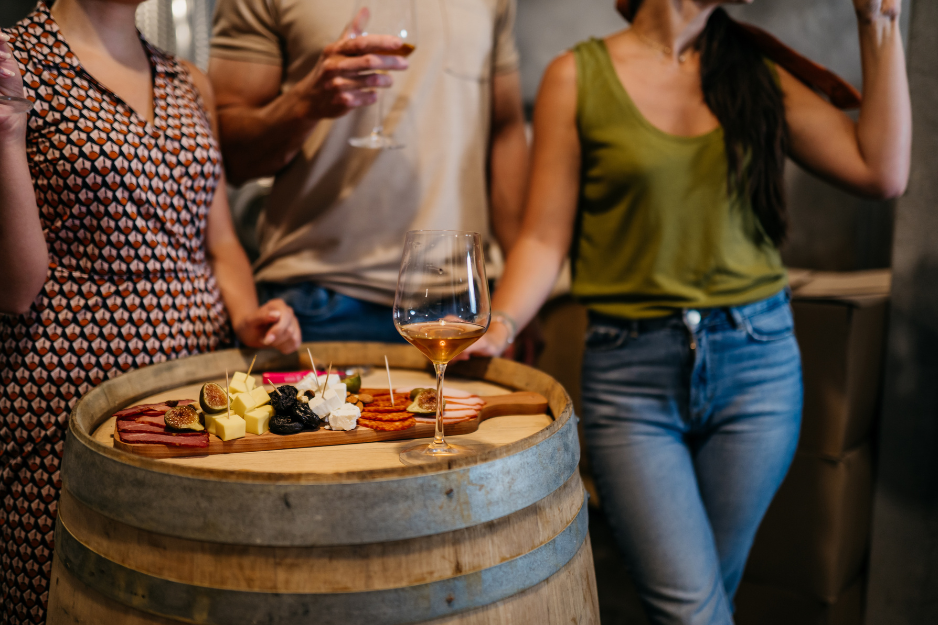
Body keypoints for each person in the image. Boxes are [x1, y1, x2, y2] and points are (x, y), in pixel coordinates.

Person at [463, 0, 910, 622]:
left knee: (699, 607)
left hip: (759, 369)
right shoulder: (578, 76)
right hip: (631, 383)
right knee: (691, 610)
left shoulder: (756, 72)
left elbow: (880, 169)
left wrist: (880, 23)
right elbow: (543, 238)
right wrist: (504, 322)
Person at [0, 1, 302, 621]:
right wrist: (5, 130)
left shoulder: (190, 82)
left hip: (199, 387)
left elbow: (218, 241)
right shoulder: (13, 61)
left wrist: (247, 316)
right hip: (71, 395)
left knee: (188, 593)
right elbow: (15, 287)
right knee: (64, 595)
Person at [208, 0, 529, 343]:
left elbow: (505, 129)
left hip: (459, 305)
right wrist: (304, 105)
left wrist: (516, 299)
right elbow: (227, 154)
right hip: (315, 305)